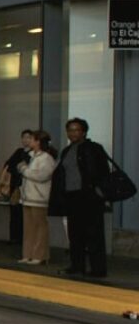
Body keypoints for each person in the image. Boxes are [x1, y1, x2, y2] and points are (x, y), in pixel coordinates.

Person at [51, 117, 113, 280]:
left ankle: (98, 269)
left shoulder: (93, 148)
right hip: (72, 197)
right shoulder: (66, 151)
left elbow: (103, 172)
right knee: (75, 234)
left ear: (84, 132)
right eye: (70, 130)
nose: (73, 133)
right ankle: (76, 266)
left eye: (76, 130)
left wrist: (100, 193)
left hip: (90, 196)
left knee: (94, 234)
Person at [16, 131, 57, 266]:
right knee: (28, 228)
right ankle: (27, 254)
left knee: (40, 228)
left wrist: (24, 170)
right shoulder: (30, 156)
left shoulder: (46, 158)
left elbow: (41, 176)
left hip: (39, 198)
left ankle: (40, 255)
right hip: (27, 196)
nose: (29, 141)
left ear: (38, 141)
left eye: (32, 139)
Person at [0, 128, 38, 247]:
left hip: (28, 187)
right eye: (24, 137)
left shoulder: (35, 154)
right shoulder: (19, 151)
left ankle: (25, 239)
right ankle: (15, 237)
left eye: (29, 138)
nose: (26, 140)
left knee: (25, 214)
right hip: (15, 187)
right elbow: (9, 165)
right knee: (15, 213)